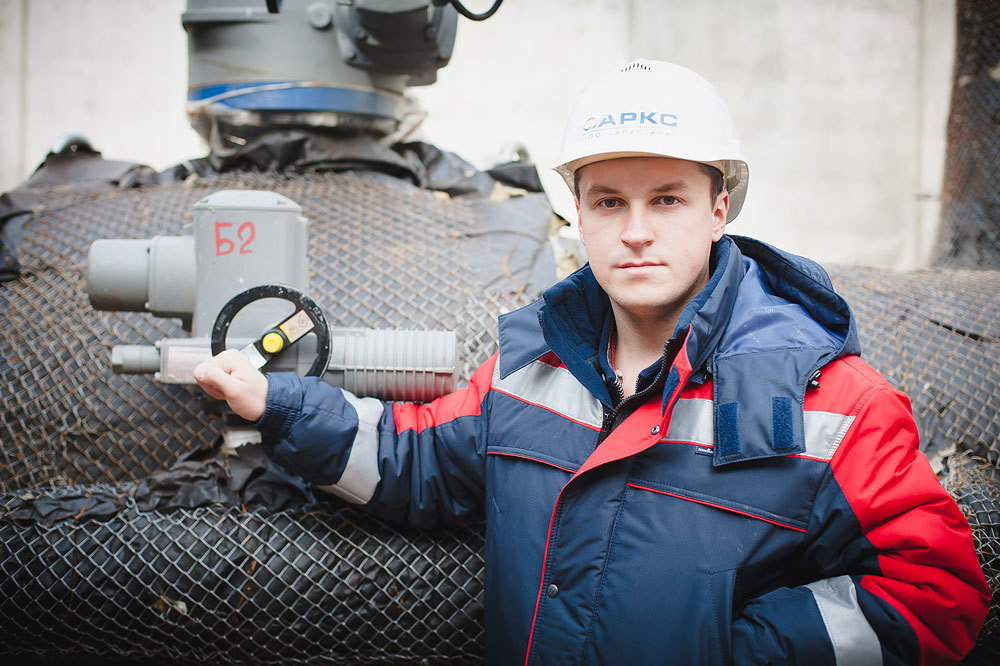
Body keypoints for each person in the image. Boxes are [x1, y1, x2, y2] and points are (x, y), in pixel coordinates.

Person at [194, 59, 989, 664]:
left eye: (667, 199)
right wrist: (279, 405)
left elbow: (936, 593)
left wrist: (739, 651)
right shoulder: (528, 370)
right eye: (609, 200)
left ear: (720, 209)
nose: (635, 230)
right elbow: (416, 463)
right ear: (578, 213)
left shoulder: (833, 406)